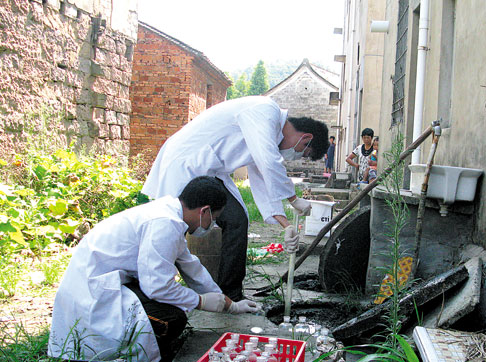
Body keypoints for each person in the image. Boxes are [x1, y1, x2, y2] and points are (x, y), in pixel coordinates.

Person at [48, 177, 258, 362]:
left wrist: (229, 304)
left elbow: (190, 266)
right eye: (213, 219)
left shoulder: (171, 214)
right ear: (204, 211)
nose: (212, 225)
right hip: (92, 297)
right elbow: (157, 287)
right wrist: (201, 301)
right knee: (171, 318)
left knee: (174, 304)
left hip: (107, 283)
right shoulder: (165, 222)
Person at [142, 96, 329, 301]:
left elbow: (261, 178)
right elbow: (268, 162)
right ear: (305, 138)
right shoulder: (265, 111)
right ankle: (155, 286)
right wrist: (293, 199)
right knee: (175, 226)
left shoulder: (269, 133)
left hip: (210, 170)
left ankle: (230, 295)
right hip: (187, 162)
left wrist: (286, 226)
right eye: (303, 152)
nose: (296, 156)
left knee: (237, 219)